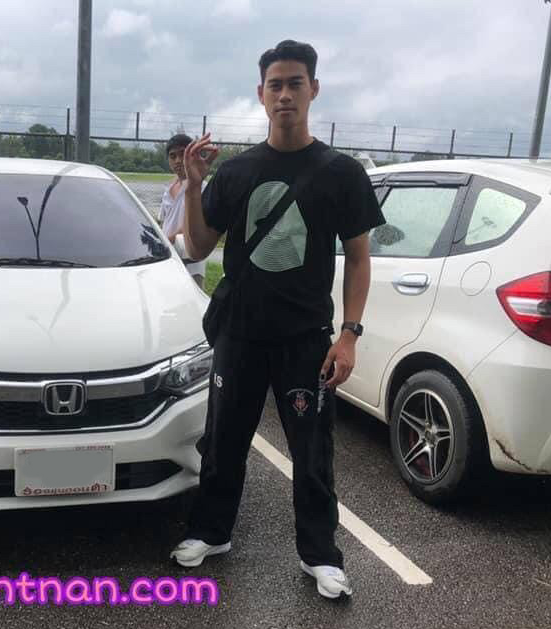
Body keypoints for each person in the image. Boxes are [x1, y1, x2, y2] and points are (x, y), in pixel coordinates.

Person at [169, 40, 384, 600]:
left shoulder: (341, 173)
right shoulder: (238, 171)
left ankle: (321, 555)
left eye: (295, 83)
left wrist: (349, 335)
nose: (285, 94)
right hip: (240, 331)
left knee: (312, 453)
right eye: (275, 85)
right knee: (223, 441)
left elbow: (359, 258)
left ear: (314, 90)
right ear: (261, 95)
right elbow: (198, 245)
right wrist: (195, 184)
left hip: (305, 338)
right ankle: (211, 532)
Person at [159, 133, 207, 289]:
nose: (178, 160)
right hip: (167, 258)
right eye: (173, 156)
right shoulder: (168, 189)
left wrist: (167, 241)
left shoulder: (201, 187)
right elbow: (163, 221)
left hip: (190, 263)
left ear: (193, 155)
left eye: (183, 154)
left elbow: (195, 223)